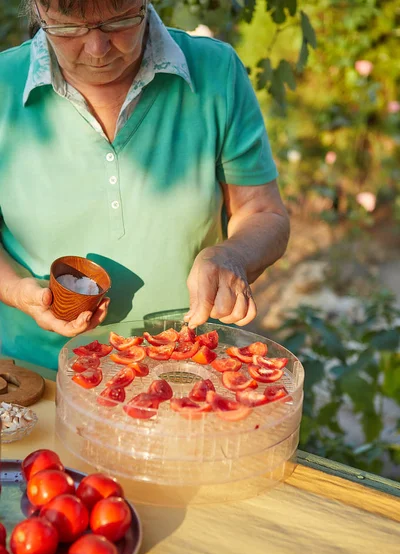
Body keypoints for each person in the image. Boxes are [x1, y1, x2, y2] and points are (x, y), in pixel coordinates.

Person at [0, 0, 289, 370]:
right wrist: (16, 291)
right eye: (68, 28)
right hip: (40, 377)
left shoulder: (216, 73)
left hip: (188, 369)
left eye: (119, 22)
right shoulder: (4, 85)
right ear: (38, 10)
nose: (97, 49)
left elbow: (263, 211)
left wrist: (230, 256)